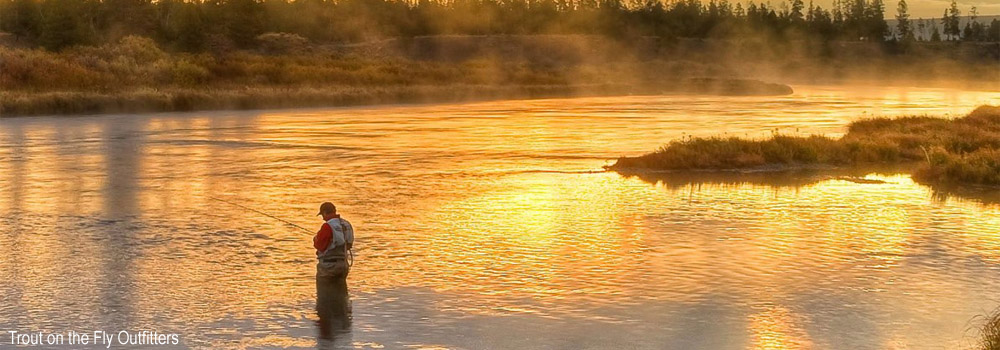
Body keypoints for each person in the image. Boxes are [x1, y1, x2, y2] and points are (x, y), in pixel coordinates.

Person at [314, 201, 354, 279]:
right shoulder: (347, 224)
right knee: (341, 290)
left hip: (329, 266)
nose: (323, 218)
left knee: (324, 290)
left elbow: (320, 246)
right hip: (343, 265)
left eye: (322, 215)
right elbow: (349, 245)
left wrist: (315, 238)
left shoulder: (327, 226)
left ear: (325, 213)